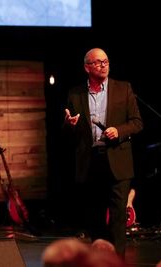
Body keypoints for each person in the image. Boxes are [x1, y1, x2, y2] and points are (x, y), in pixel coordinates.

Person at [63, 47, 143, 256]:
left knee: (117, 220)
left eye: (106, 61)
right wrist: (69, 125)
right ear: (86, 67)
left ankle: (117, 261)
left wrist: (119, 130)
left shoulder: (123, 88)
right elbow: (69, 136)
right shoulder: (75, 93)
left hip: (117, 160)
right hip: (90, 162)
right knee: (95, 219)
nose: (103, 65)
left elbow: (137, 123)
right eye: (98, 62)